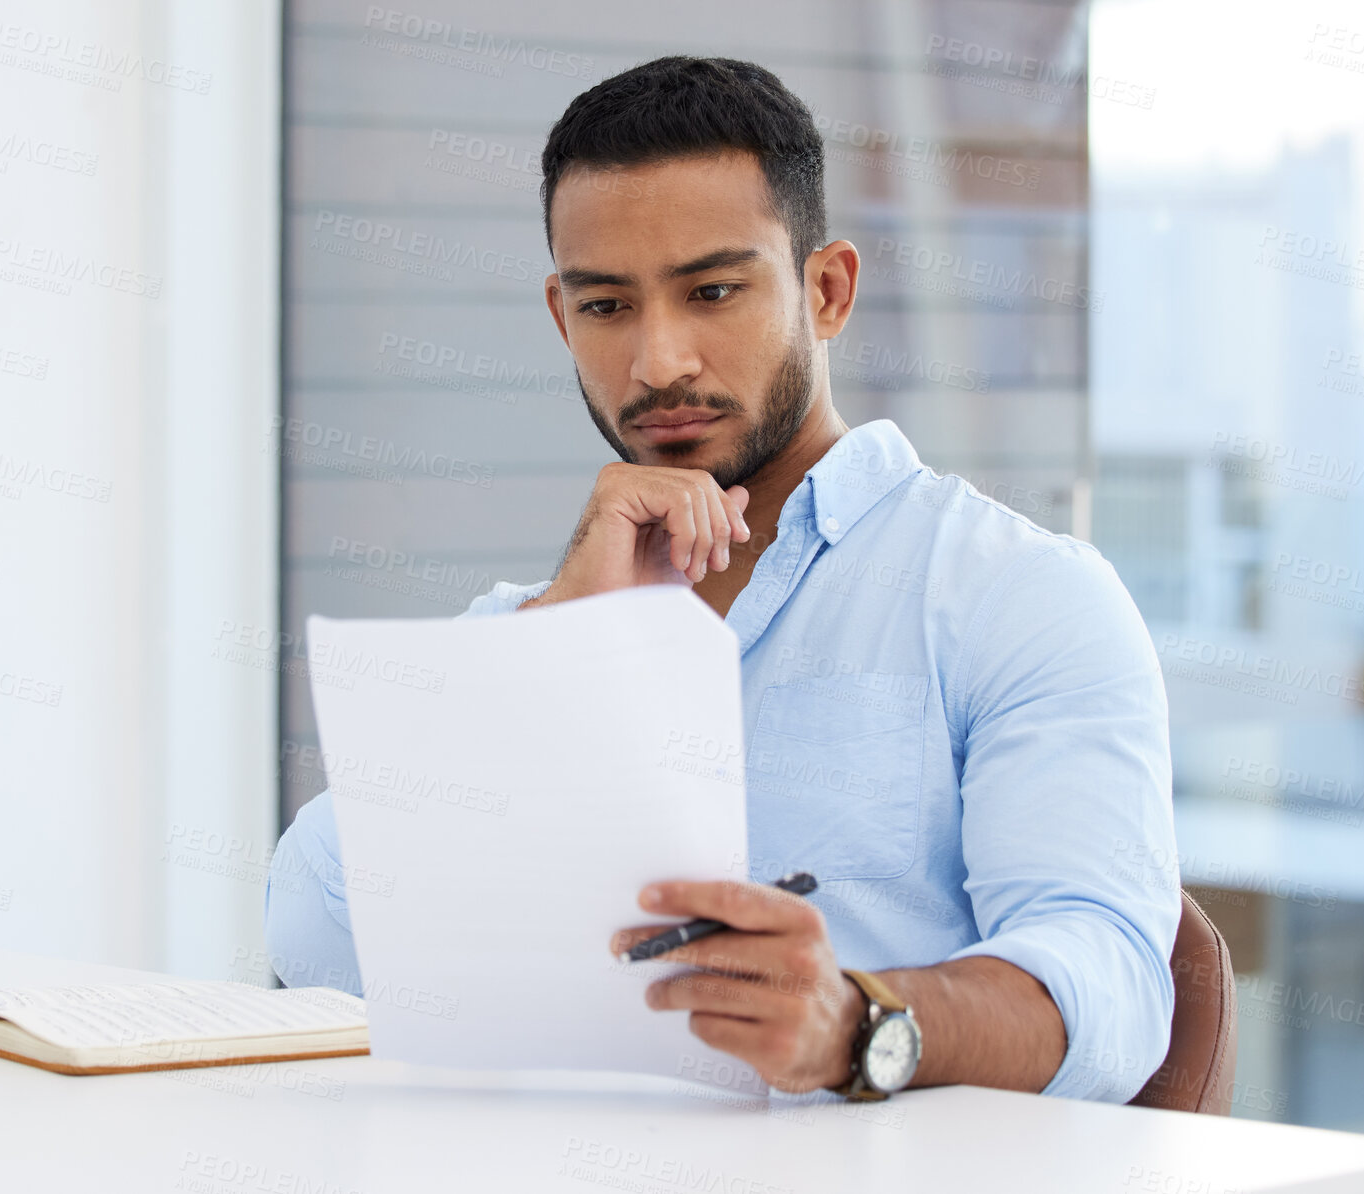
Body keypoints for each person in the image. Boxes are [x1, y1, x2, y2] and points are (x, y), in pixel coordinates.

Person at [265, 55, 1180, 1103]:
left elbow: (1109, 998)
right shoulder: (531, 622)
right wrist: (564, 645)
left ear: (825, 290)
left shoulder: (1013, 596)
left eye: (710, 291)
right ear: (564, 320)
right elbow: (313, 932)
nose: (658, 362)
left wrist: (855, 1022)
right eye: (608, 307)